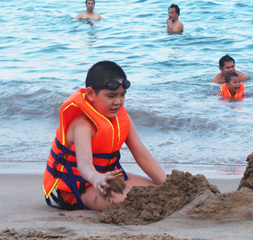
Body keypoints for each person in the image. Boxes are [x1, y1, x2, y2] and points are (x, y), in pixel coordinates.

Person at [43, 61, 166, 211]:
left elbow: (142, 155)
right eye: (111, 96)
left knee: (161, 192)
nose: (118, 102)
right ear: (90, 94)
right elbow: (84, 163)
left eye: (122, 95)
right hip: (78, 189)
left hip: (108, 179)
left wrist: (167, 184)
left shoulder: (122, 119)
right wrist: (96, 178)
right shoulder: (82, 125)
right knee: (138, 202)